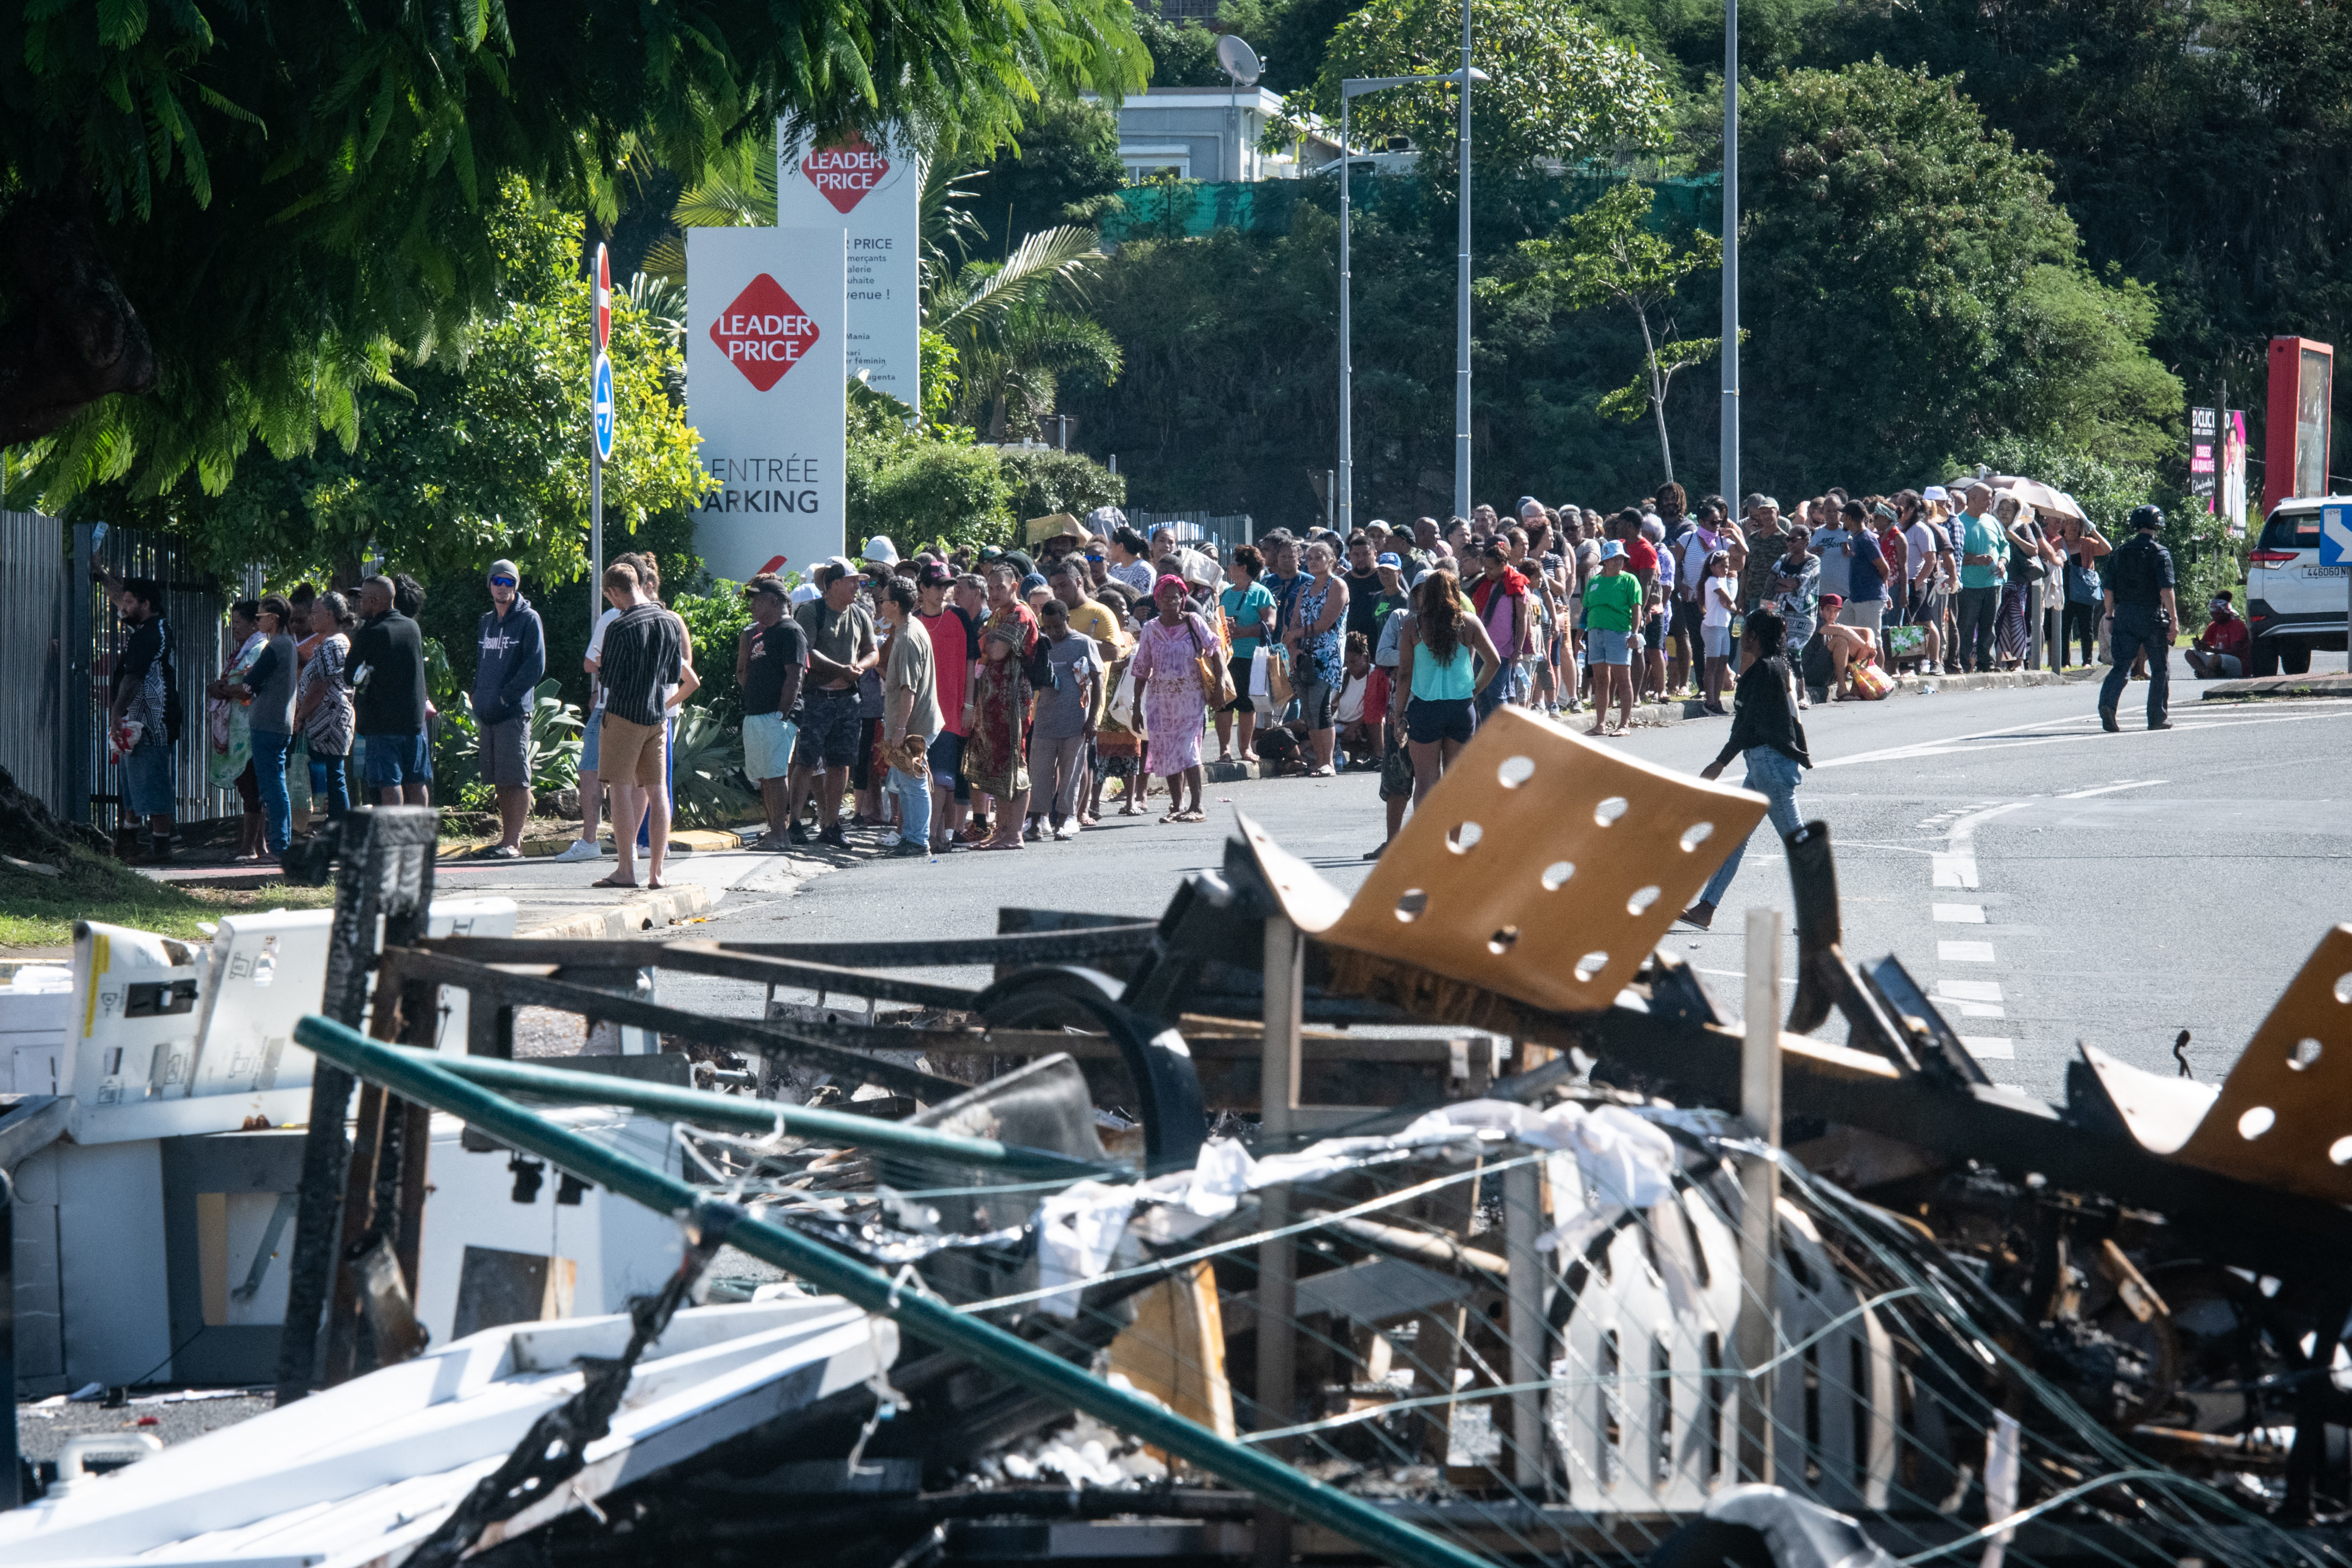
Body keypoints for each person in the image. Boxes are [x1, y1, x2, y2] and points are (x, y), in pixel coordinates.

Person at [1679, 607, 1811, 932]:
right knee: (1735, 836)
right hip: (1764, 763)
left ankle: (1818, 917)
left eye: (1744, 632)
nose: (1741, 638)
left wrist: (1720, 763)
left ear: (1754, 636)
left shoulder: (1764, 672)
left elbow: (1746, 726)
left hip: (1769, 765)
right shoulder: (1778, 666)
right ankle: (1706, 908)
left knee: (1800, 844)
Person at [593, 561, 691, 887]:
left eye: (610, 596)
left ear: (615, 591)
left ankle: (625, 870)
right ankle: (657, 873)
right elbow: (670, 675)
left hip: (624, 714)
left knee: (619, 788)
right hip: (657, 715)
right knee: (657, 789)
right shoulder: (669, 621)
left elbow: (608, 678)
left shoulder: (620, 627)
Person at [788, 561, 881, 848]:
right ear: (834, 583)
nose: (858, 586)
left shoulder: (860, 614)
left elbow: (872, 651)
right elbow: (808, 652)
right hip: (817, 698)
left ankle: (831, 823)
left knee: (841, 763)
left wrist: (859, 667)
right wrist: (840, 669)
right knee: (806, 762)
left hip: (848, 700)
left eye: (859, 582)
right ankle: (793, 823)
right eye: (852, 581)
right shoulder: (811, 612)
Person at [1394, 568, 1500, 803]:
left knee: (1425, 781)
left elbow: (1404, 676)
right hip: (1461, 707)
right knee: (1456, 780)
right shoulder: (1468, 623)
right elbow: (1494, 662)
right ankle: (1453, 839)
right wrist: (1474, 690)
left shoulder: (1414, 626)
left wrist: (1399, 713)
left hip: (1425, 709)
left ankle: (1429, 839)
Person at [471, 559, 546, 858]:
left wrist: (506, 697)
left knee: (516, 777)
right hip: (487, 710)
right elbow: (481, 662)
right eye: (497, 582)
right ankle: (505, 841)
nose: (503, 588)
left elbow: (535, 666)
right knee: (500, 778)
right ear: (490, 584)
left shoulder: (529, 619)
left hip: (512, 712)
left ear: (516, 586)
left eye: (509, 583)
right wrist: (478, 694)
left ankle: (514, 842)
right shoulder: (486, 621)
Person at [1129, 573, 1216, 822]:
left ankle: (1197, 806)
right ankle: (1177, 806)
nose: (1171, 603)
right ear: (1157, 600)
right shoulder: (1150, 629)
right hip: (1160, 700)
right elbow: (1142, 669)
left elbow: (1215, 650)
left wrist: (1219, 685)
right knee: (1168, 751)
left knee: (1189, 750)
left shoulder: (1194, 621)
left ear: (1183, 598)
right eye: (1165, 599)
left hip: (1191, 697)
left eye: (1176, 598)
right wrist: (1137, 708)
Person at [964, 563, 1038, 849]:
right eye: (991, 588)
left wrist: (984, 637)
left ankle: (1014, 834)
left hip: (1012, 702)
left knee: (1013, 764)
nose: (995, 593)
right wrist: (987, 637)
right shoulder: (999, 616)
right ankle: (1002, 831)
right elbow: (988, 645)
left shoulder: (1020, 614)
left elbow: (996, 651)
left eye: (1001, 588)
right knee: (996, 766)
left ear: (1015, 587)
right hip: (992, 702)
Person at [107, 577, 178, 863]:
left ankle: (161, 847)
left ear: (146, 604)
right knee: (132, 783)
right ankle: (128, 843)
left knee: (154, 782)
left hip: (153, 720)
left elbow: (134, 677)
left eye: (129, 602)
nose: (123, 607)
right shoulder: (147, 628)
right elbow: (118, 599)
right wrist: (100, 573)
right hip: (136, 719)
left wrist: (116, 710)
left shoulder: (151, 634)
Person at [223, 594, 300, 858]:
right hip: (279, 723)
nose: (257, 622)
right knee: (275, 785)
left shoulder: (276, 646)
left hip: (268, 724)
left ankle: (280, 846)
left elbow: (249, 684)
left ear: (273, 619)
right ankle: (281, 843)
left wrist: (225, 688)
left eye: (259, 617)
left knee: (273, 787)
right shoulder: (288, 644)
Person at [737, 574, 808, 849]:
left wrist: (781, 714)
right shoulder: (760, 634)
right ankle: (773, 833)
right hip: (757, 714)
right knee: (766, 776)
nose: (752, 604)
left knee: (776, 774)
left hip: (776, 717)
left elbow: (795, 677)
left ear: (774, 600)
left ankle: (781, 835)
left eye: (757, 599)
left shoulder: (791, 631)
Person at [347, 574, 431, 806]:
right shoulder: (412, 628)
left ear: (374, 601)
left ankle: (393, 838)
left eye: (363, 598)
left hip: (383, 723)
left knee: (389, 782)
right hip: (413, 722)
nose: (360, 603)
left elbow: (349, 674)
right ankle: (419, 838)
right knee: (417, 781)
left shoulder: (371, 632)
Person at [915, 561, 981, 852]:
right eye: (938, 586)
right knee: (929, 774)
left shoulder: (960, 616)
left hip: (954, 708)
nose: (944, 592)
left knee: (945, 777)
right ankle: (935, 834)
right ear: (923, 589)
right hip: (923, 711)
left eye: (947, 586)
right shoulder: (912, 621)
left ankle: (938, 833)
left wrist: (970, 703)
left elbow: (971, 662)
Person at [1025, 597, 1101, 840]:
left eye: (1058, 626)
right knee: (1039, 772)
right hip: (1045, 720)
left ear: (1067, 620)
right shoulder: (1041, 643)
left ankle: (1068, 818)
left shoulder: (1083, 643)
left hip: (1075, 720)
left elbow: (1097, 680)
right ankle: (1038, 819)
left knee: (1071, 772)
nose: (1054, 632)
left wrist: (1093, 719)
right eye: (1048, 626)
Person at [875, 576, 940, 858]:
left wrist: (900, 727)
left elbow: (908, 689)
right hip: (912, 723)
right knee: (908, 782)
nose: (880, 604)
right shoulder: (905, 631)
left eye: (883, 600)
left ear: (895, 605)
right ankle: (912, 837)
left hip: (915, 725)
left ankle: (916, 840)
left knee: (913, 783)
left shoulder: (909, 636)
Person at [2099, 504, 2178, 732]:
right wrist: (2174, 619)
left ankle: (2107, 705)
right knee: (2160, 668)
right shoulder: (2160, 553)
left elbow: (2109, 591)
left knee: (2122, 665)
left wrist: (2111, 616)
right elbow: (2166, 589)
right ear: (2158, 524)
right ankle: (2157, 718)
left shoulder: (2120, 552)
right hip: (2151, 615)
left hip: (2124, 615)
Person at [293, 592, 355, 829]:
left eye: (315, 613)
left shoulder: (333, 644)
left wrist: (301, 716)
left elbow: (320, 686)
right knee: (333, 774)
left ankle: (341, 828)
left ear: (330, 615)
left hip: (330, 720)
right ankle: (338, 825)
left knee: (334, 775)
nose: (311, 618)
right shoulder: (333, 643)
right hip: (329, 718)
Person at [1287, 540, 1347, 776]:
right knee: (1309, 712)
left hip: (1328, 656)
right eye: (1309, 558)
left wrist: (1294, 635)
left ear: (1331, 560)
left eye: (1318, 557)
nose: (1312, 562)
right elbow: (1294, 622)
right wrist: (1293, 651)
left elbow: (1324, 624)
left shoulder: (1338, 586)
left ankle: (1328, 762)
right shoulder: (1305, 588)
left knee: (1320, 706)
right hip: (1305, 657)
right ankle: (1317, 760)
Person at [1216, 545, 1275, 764]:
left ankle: (1245, 749)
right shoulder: (1225, 593)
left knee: (1245, 704)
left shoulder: (1261, 593)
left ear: (1242, 567)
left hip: (1249, 656)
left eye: (1232, 563)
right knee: (1224, 703)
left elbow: (1270, 625)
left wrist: (1241, 632)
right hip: (1226, 657)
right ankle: (1225, 750)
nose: (1229, 567)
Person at [1582, 541, 1643, 736]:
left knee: (1623, 679)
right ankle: (1600, 724)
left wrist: (1634, 633)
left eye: (1621, 558)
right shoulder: (1594, 582)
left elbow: (1636, 608)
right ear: (1606, 561)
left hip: (1619, 632)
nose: (1619, 561)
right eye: (1615, 558)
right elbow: (1586, 611)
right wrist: (1579, 637)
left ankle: (1623, 725)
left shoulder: (1629, 580)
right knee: (1601, 681)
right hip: (1595, 633)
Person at [1469, 540, 1529, 722]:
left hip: (1503, 649)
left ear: (1504, 565)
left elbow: (1521, 620)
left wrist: (1518, 650)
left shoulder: (1517, 585)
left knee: (1496, 691)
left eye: (1492, 568)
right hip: (1483, 647)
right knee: (1482, 691)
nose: (1488, 572)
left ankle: (1506, 731)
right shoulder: (1485, 584)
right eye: (1485, 568)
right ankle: (1490, 732)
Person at [1953, 482, 2004, 674]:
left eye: (1991, 498)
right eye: (1986, 498)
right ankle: (1964, 663)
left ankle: (1986, 662)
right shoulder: (1959, 522)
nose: (1990, 502)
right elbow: (1954, 553)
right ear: (1972, 499)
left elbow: (2004, 546)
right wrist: (1974, 559)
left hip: (1992, 583)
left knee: (1989, 626)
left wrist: (2003, 562)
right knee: (1966, 626)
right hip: (1969, 585)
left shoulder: (1992, 521)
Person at [1769, 524, 1821, 706]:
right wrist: (1767, 608)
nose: (1789, 543)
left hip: (1803, 616)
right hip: (1778, 611)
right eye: (1788, 539)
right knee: (1776, 652)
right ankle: (1783, 692)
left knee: (1793, 652)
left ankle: (1801, 695)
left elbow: (1800, 583)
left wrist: (1785, 584)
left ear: (1806, 541)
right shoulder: (1784, 559)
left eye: (1794, 540)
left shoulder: (1813, 561)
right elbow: (1771, 581)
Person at [2057, 515, 2112, 669]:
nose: (2073, 527)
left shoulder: (2087, 543)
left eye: (2077, 523)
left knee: (2086, 627)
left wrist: (2093, 531)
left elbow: (2107, 549)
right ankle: (2064, 662)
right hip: (2064, 591)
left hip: (2084, 591)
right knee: (2064, 628)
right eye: (2069, 523)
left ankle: (2087, 661)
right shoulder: (2057, 543)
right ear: (2064, 526)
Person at [1813, 595, 1880, 701]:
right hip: (1813, 673)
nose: (1832, 615)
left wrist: (1870, 643)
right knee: (1841, 640)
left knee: (1863, 638)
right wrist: (1866, 647)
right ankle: (1842, 689)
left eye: (1836, 611)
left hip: (1830, 673)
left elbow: (1867, 630)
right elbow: (1844, 631)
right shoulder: (1816, 623)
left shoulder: (1837, 625)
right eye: (1829, 610)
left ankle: (1856, 689)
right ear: (1821, 610)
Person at [1698, 549, 1738, 716]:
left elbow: (1730, 605)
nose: (1726, 569)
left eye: (1727, 566)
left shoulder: (1723, 581)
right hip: (1712, 626)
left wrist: (1730, 604)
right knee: (1712, 665)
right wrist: (1731, 604)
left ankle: (1717, 700)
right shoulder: (1713, 581)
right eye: (1722, 566)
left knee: (1722, 665)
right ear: (1713, 567)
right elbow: (1729, 602)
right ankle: (1710, 701)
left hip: (1723, 627)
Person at [2185, 593, 2250, 679]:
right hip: (2219, 660)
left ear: (2226, 613)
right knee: (2190, 653)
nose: (2215, 618)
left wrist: (2211, 650)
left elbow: (2236, 652)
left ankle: (2207, 673)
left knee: (2218, 658)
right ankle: (2207, 672)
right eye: (2213, 615)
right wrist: (2199, 645)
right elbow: (2205, 644)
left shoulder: (2237, 624)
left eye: (2218, 614)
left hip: (2238, 663)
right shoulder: (2214, 626)